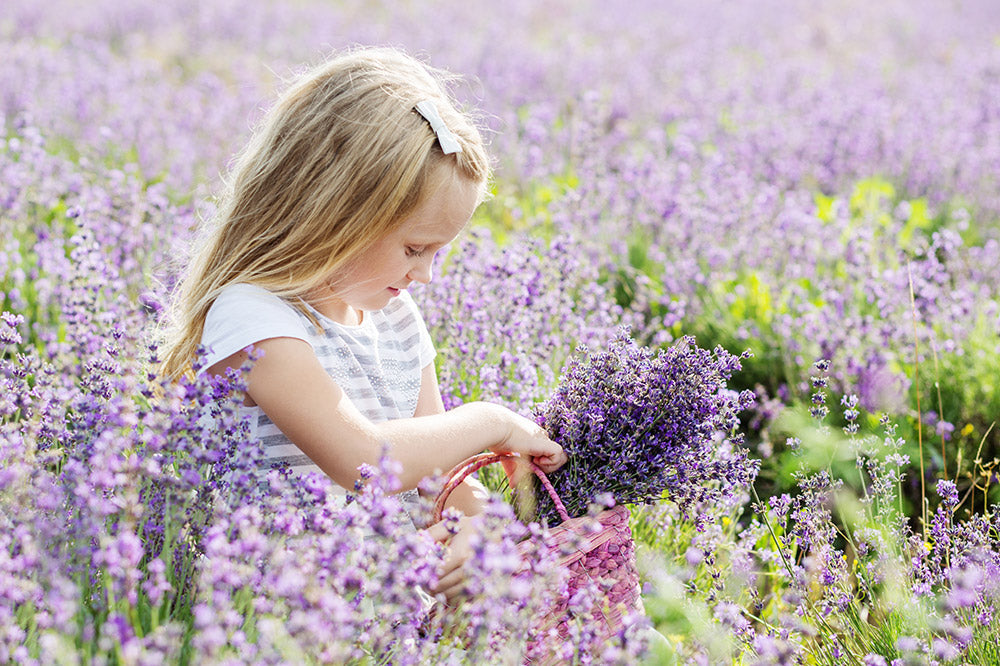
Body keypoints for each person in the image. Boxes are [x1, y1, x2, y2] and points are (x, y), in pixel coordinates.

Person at [158, 47, 566, 602]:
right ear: (336, 214)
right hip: (261, 615)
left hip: (374, 612)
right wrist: (490, 421)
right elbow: (364, 461)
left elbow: (435, 480)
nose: (424, 275)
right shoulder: (251, 318)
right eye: (414, 248)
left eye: (437, 252)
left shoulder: (397, 320)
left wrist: (479, 525)